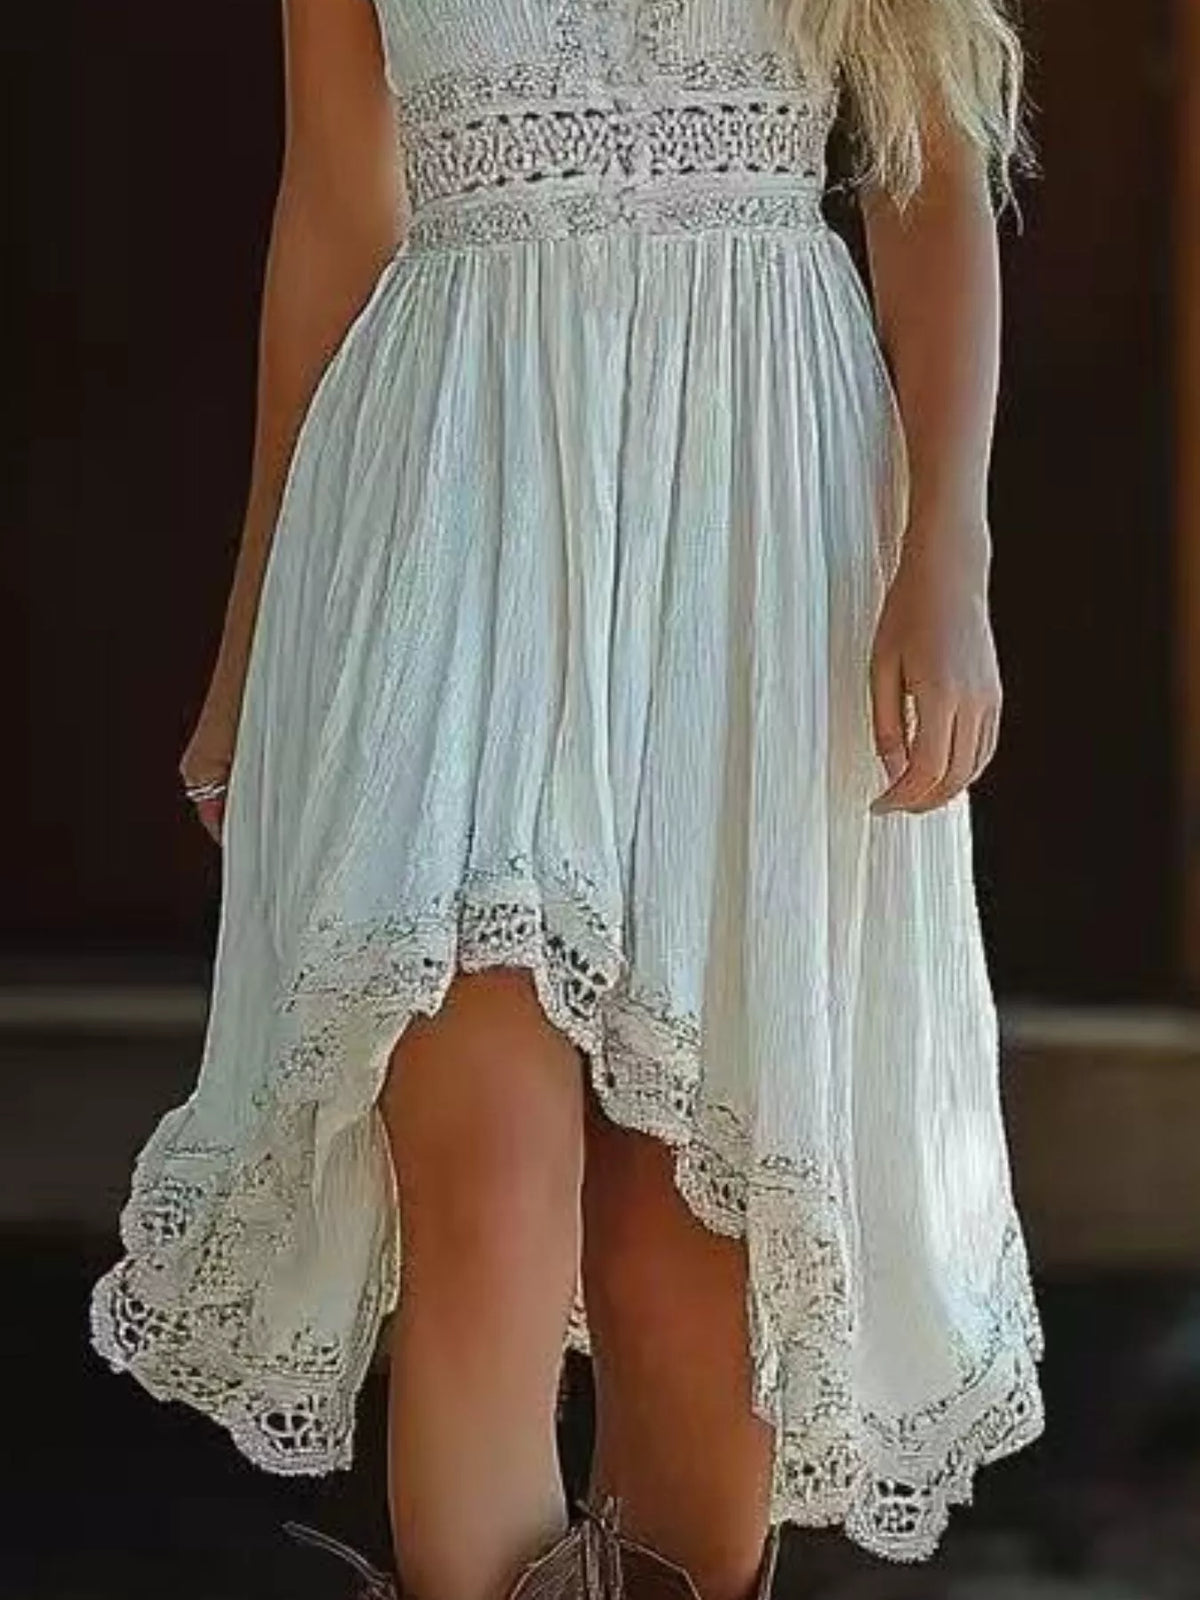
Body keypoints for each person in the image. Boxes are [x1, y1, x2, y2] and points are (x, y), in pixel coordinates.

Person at [88, 1, 1047, 1597]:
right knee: (481, 1179)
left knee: (687, 1264)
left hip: (757, 525)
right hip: (448, 508)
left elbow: (928, 165)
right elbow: (339, 196)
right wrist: (257, 626)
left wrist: (951, 545)